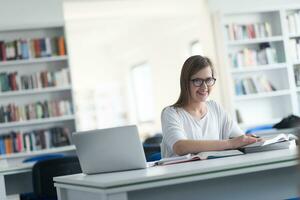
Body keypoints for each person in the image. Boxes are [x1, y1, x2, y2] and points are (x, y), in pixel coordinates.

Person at [161, 55, 259, 158]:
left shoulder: (215, 108)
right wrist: (230, 144)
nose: (204, 87)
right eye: (197, 81)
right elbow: (180, 147)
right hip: (183, 172)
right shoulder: (171, 113)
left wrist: (253, 140)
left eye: (208, 80)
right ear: (185, 82)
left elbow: (239, 138)